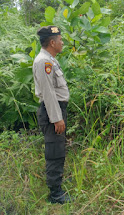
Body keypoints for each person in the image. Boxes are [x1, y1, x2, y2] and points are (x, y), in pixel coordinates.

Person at [33, 26, 72, 203]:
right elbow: (48, 93)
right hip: (52, 111)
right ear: (52, 42)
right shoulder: (44, 62)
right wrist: (57, 118)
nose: (62, 43)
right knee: (54, 151)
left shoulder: (50, 60)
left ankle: (57, 181)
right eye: (60, 40)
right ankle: (55, 194)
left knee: (59, 149)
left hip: (56, 109)